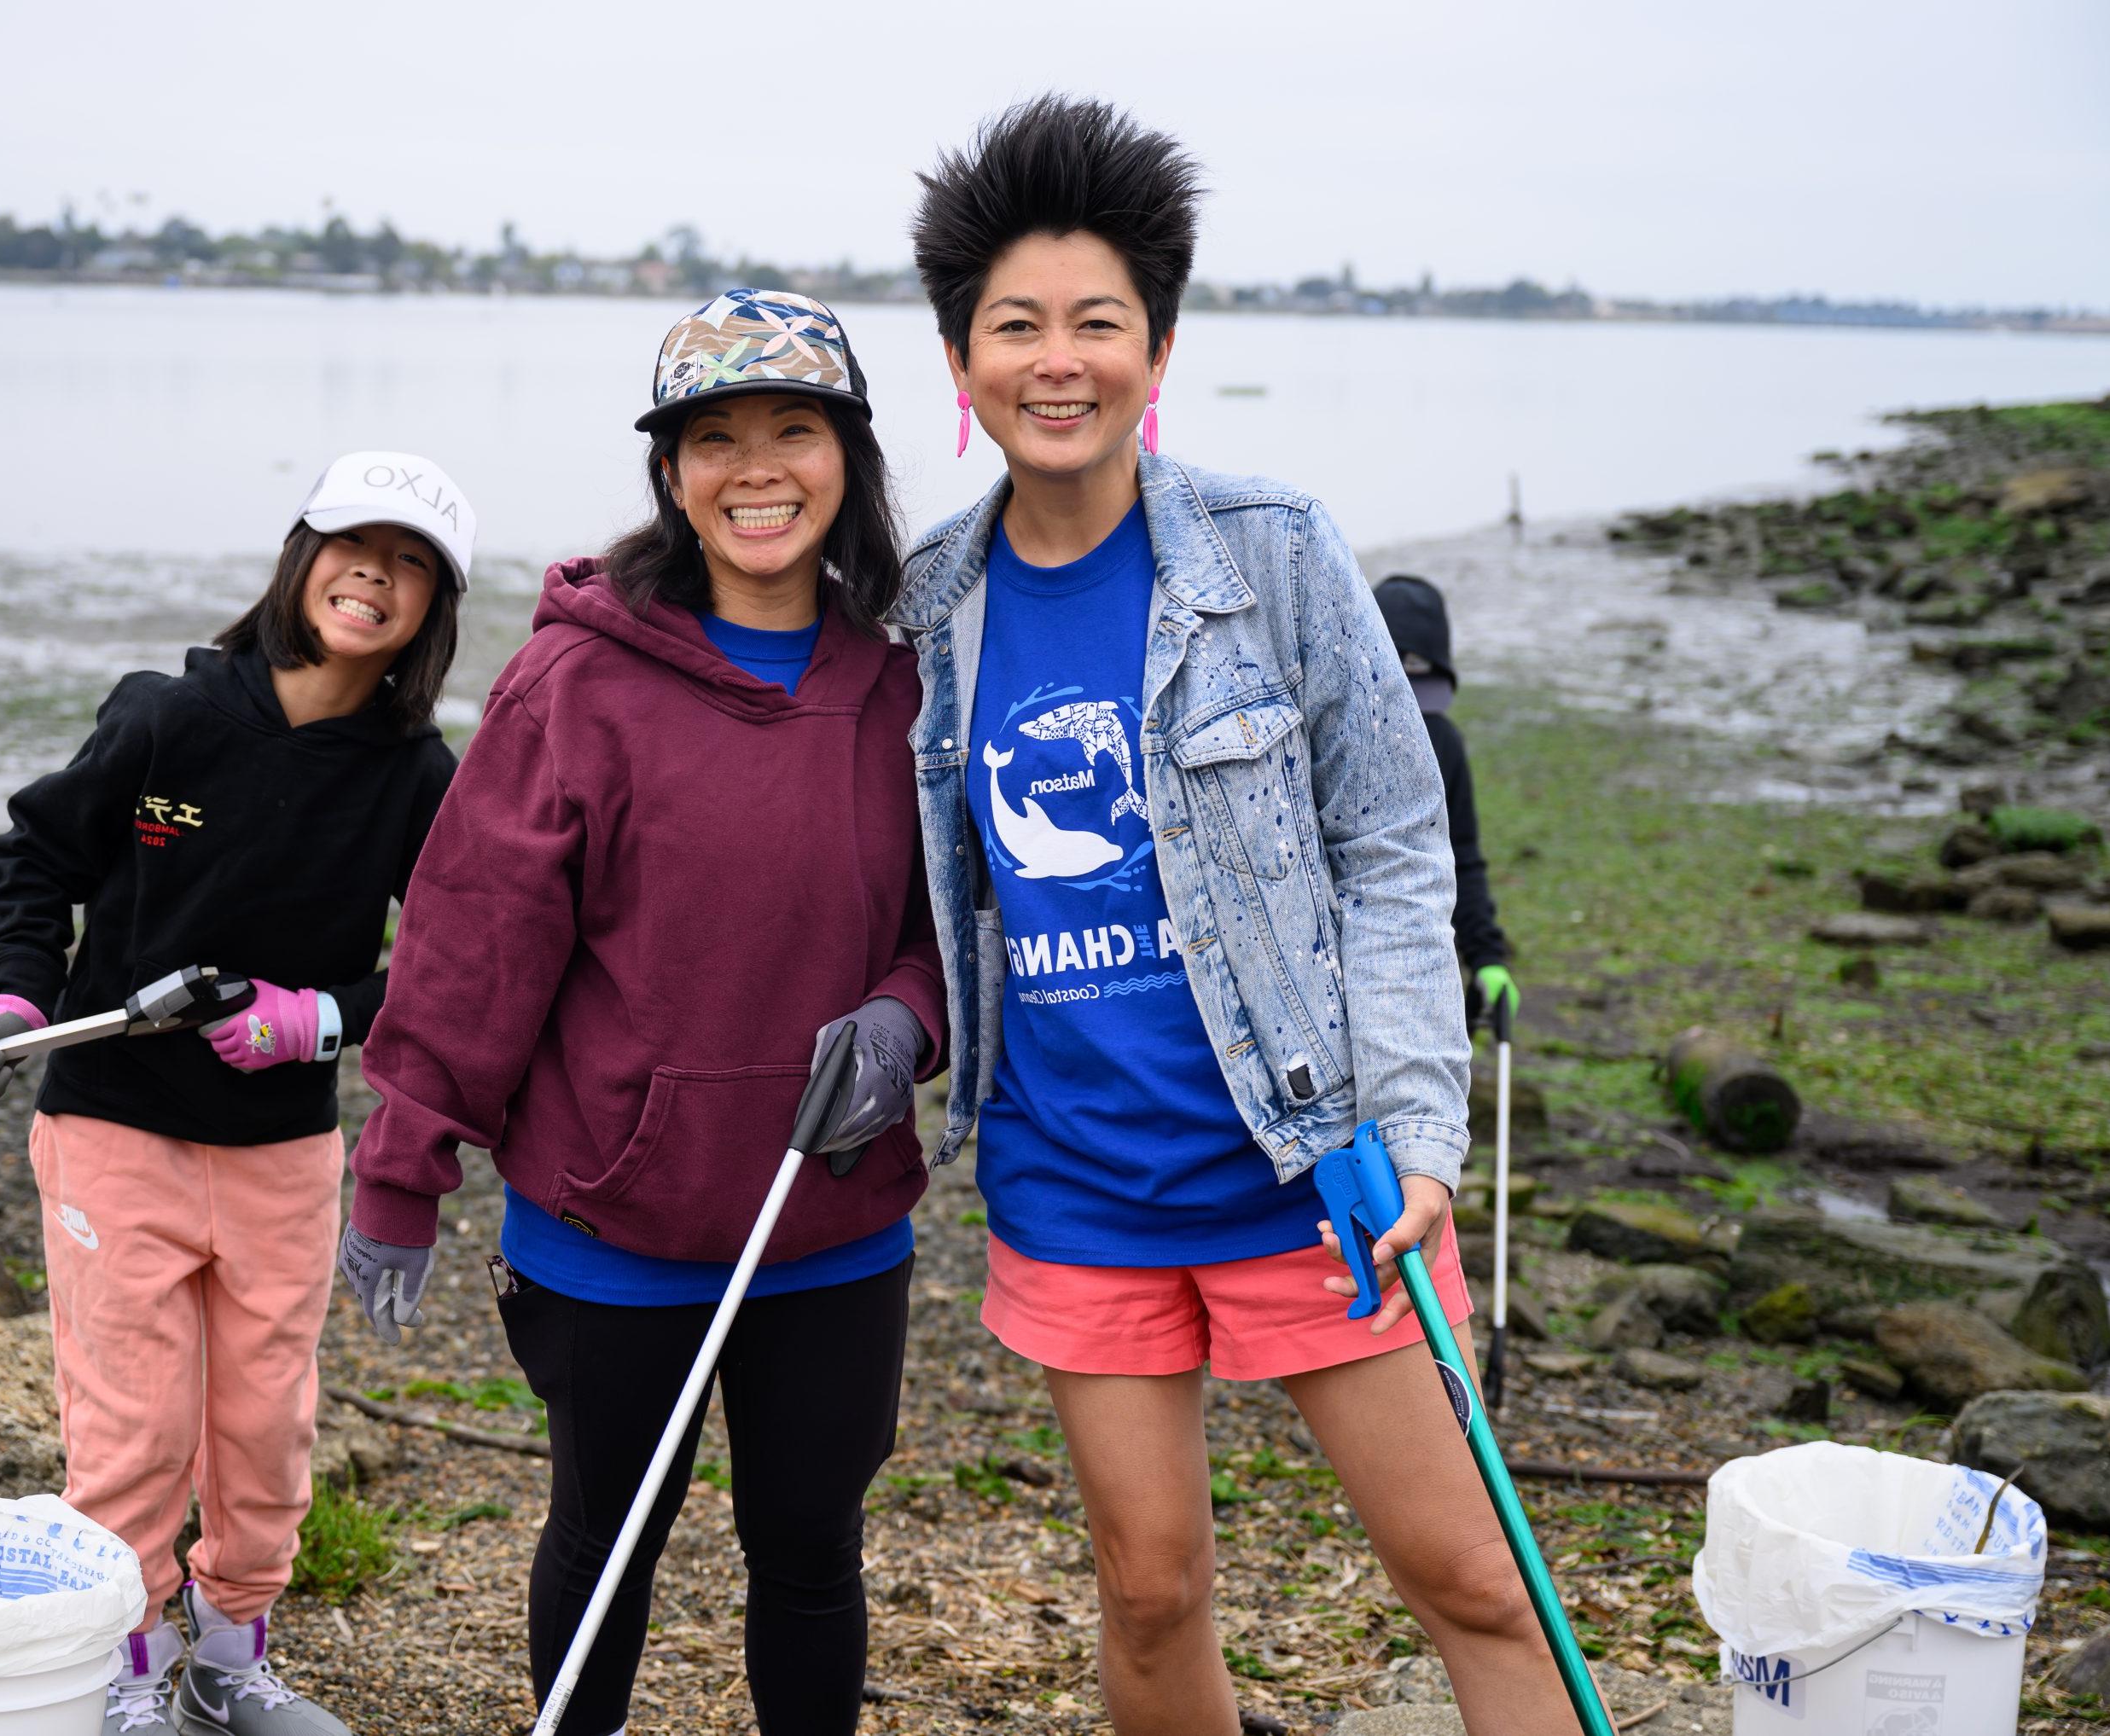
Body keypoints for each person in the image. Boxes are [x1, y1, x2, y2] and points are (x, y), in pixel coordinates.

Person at [892, 97, 1579, 1734]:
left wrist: (1420, 1132)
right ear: (961, 364)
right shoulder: (928, 600)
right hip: (1078, 1188)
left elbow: (1398, 844)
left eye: (1098, 324)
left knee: (1472, 1575)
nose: (1059, 362)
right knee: (1150, 1589)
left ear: (1160, 347)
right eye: (1017, 327)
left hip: (1318, 1172)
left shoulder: (1271, 556)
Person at [337, 289, 942, 1736]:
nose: (757, 469)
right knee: (605, 1553)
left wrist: (906, 1023)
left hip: (830, 1225)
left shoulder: (906, 681)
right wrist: (399, 1172)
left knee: (809, 1554)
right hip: (616, 1226)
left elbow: (941, 932)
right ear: (670, 474)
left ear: (847, 455)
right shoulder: (575, 681)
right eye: (714, 438)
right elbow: (473, 944)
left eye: (794, 431)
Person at [0, 451, 472, 1736]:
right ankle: (123, 1671)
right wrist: (20, 997)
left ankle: (228, 1656)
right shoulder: (166, 716)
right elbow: (37, 854)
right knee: (131, 1426)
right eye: (354, 547)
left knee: (266, 1423)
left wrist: (321, 1021)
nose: (373, 578)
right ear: (302, 557)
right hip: (114, 1119)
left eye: (409, 565)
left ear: (432, 606)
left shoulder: (416, 775)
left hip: (283, 1149)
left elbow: (459, 966)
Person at [1374, 574, 1518, 1036]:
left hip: (1423, 960)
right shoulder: (1333, 738)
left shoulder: (1444, 744)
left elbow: (1462, 854)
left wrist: (1487, 957)